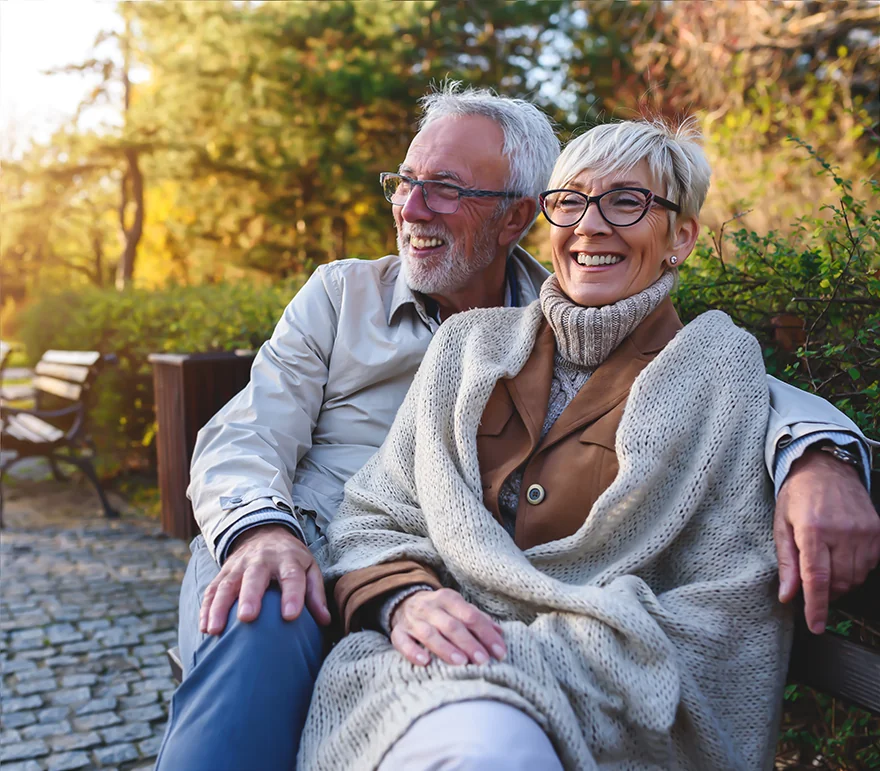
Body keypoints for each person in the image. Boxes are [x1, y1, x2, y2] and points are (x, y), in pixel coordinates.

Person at [155, 85, 877, 771]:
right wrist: (264, 532)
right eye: (404, 181)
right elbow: (245, 435)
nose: (412, 206)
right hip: (304, 551)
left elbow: (725, 378)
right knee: (260, 611)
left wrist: (821, 455)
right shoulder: (349, 298)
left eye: (446, 187)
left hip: (443, 613)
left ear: (515, 216)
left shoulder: (567, 312)